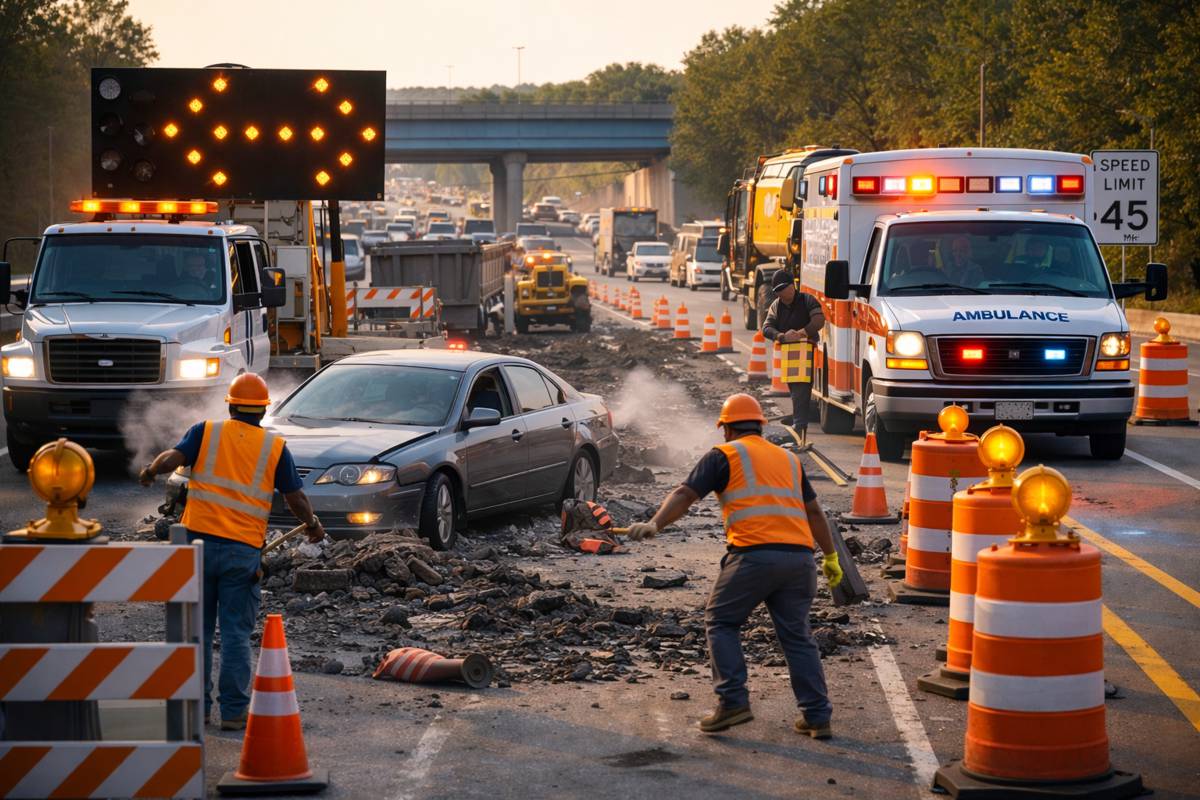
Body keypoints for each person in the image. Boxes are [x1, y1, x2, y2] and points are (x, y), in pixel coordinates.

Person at [626, 393, 844, 738]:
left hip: (755, 558)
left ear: (726, 429)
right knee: (798, 637)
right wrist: (830, 557)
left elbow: (685, 495)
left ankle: (732, 702)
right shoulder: (788, 459)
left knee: (721, 620)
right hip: (800, 561)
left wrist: (656, 523)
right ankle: (817, 716)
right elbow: (815, 512)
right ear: (760, 425)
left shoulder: (723, 455)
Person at [138, 373, 325, 730]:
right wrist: (313, 524)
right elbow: (296, 499)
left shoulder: (205, 431)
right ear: (264, 410)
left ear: (230, 404)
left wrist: (149, 471)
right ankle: (235, 712)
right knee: (236, 635)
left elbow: (170, 459)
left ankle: (198, 710)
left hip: (198, 548)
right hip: (241, 554)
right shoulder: (274, 448)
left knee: (199, 633)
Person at [761, 269, 824, 434]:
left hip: (807, 349)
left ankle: (799, 424)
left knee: (801, 388)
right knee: (795, 389)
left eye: (783, 289)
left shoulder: (807, 300)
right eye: (777, 291)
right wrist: (781, 336)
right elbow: (766, 328)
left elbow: (819, 320)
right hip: (789, 352)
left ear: (792, 286)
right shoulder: (776, 306)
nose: (781, 294)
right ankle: (799, 421)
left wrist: (802, 332)